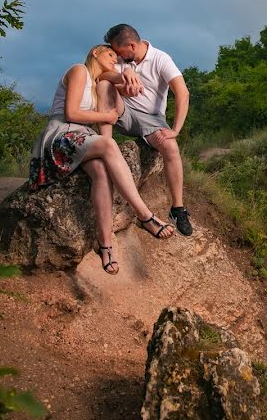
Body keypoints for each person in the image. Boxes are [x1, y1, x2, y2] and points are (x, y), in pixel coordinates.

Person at [29, 44, 175, 275]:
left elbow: (115, 110)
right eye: (110, 55)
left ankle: (105, 245)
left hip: (82, 137)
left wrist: (123, 79)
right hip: (62, 134)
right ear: (95, 52)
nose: (114, 60)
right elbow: (71, 113)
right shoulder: (79, 70)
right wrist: (105, 114)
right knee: (108, 143)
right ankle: (144, 215)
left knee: (101, 173)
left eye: (118, 59)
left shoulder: (98, 84)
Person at [99, 24, 193, 236]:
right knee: (104, 85)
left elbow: (182, 92)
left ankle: (178, 209)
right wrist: (123, 74)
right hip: (123, 113)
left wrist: (175, 129)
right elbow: (100, 76)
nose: (116, 55)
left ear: (131, 45)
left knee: (170, 147)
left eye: (119, 50)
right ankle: (105, 145)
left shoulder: (161, 59)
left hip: (152, 118)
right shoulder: (122, 59)